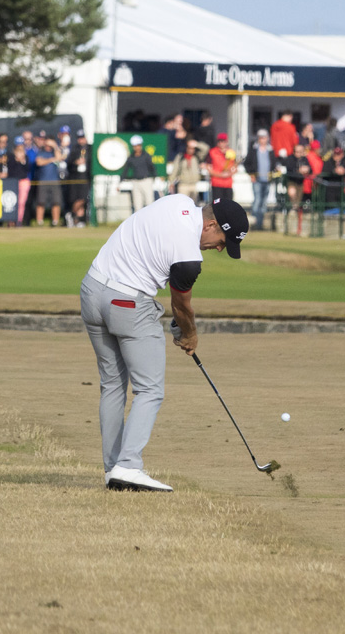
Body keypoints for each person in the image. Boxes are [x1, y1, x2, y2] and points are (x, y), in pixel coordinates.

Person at [81, 195, 250, 492]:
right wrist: (189, 334)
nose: (220, 248)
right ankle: (129, 466)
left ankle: (114, 469)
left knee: (112, 384)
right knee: (150, 389)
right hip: (127, 302)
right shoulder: (189, 259)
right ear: (210, 225)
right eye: (222, 241)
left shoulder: (176, 201)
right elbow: (182, 307)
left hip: (91, 290)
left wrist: (179, 326)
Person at [241, 130, 273, 229]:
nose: (263, 139)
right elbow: (247, 163)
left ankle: (260, 224)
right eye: (261, 137)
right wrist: (251, 174)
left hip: (267, 180)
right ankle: (254, 224)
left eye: (264, 137)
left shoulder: (270, 150)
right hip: (257, 179)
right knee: (257, 200)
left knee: (264, 202)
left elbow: (274, 163)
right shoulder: (253, 149)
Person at [34, 132, 65, 226]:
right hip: (43, 181)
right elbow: (39, 162)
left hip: (54, 181)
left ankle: (55, 221)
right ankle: (39, 222)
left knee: (56, 202)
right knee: (41, 202)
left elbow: (59, 158)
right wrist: (52, 159)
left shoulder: (55, 151)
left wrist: (55, 146)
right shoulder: (41, 152)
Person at [121, 134, 156, 213]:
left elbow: (152, 167)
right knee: (137, 204)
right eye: (135, 146)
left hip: (146, 180)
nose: (137, 147)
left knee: (149, 202)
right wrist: (120, 181)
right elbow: (126, 169)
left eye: (138, 145)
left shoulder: (146, 156)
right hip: (136, 182)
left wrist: (154, 177)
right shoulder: (131, 157)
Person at [169, 138, 208, 203]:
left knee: (193, 204)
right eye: (190, 148)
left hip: (193, 184)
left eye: (193, 148)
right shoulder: (180, 157)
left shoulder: (196, 157)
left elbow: (206, 149)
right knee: (182, 203)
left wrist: (196, 144)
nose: (191, 150)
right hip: (183, 184)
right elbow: (175, 170)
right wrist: (171, 182)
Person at [66, 129, 91, 227]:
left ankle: (74, 216)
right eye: (79, 138)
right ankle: (75, 218)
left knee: (83, 199)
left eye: (83, 138)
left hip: (85, 177)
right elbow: (69, 163)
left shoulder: (90, 149)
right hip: (75, 177)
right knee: (76, 199)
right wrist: (75, 162)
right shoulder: (74, 150)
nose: (81, 140)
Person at [5, 137, 32, 225]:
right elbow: (10, 169)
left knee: (21, 202)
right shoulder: (10, 156)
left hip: (23, 181)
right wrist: (16, 159)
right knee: (11, 202)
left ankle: (18, 220)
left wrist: (22, 160)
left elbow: (27, 169)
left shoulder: (26, 157)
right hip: (12, 182)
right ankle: (10, 220)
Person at [206, 133, 236, 205]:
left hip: (228, 184)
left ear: (226, 142)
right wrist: (220, 175)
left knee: (228, 205)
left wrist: (229, 173)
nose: (221, 143)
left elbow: (235, 167)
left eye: (223, 141)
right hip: (216, 183)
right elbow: (208, 167)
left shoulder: (231, 152)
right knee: (217, 205)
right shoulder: (212, 152)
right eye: (220, 141)